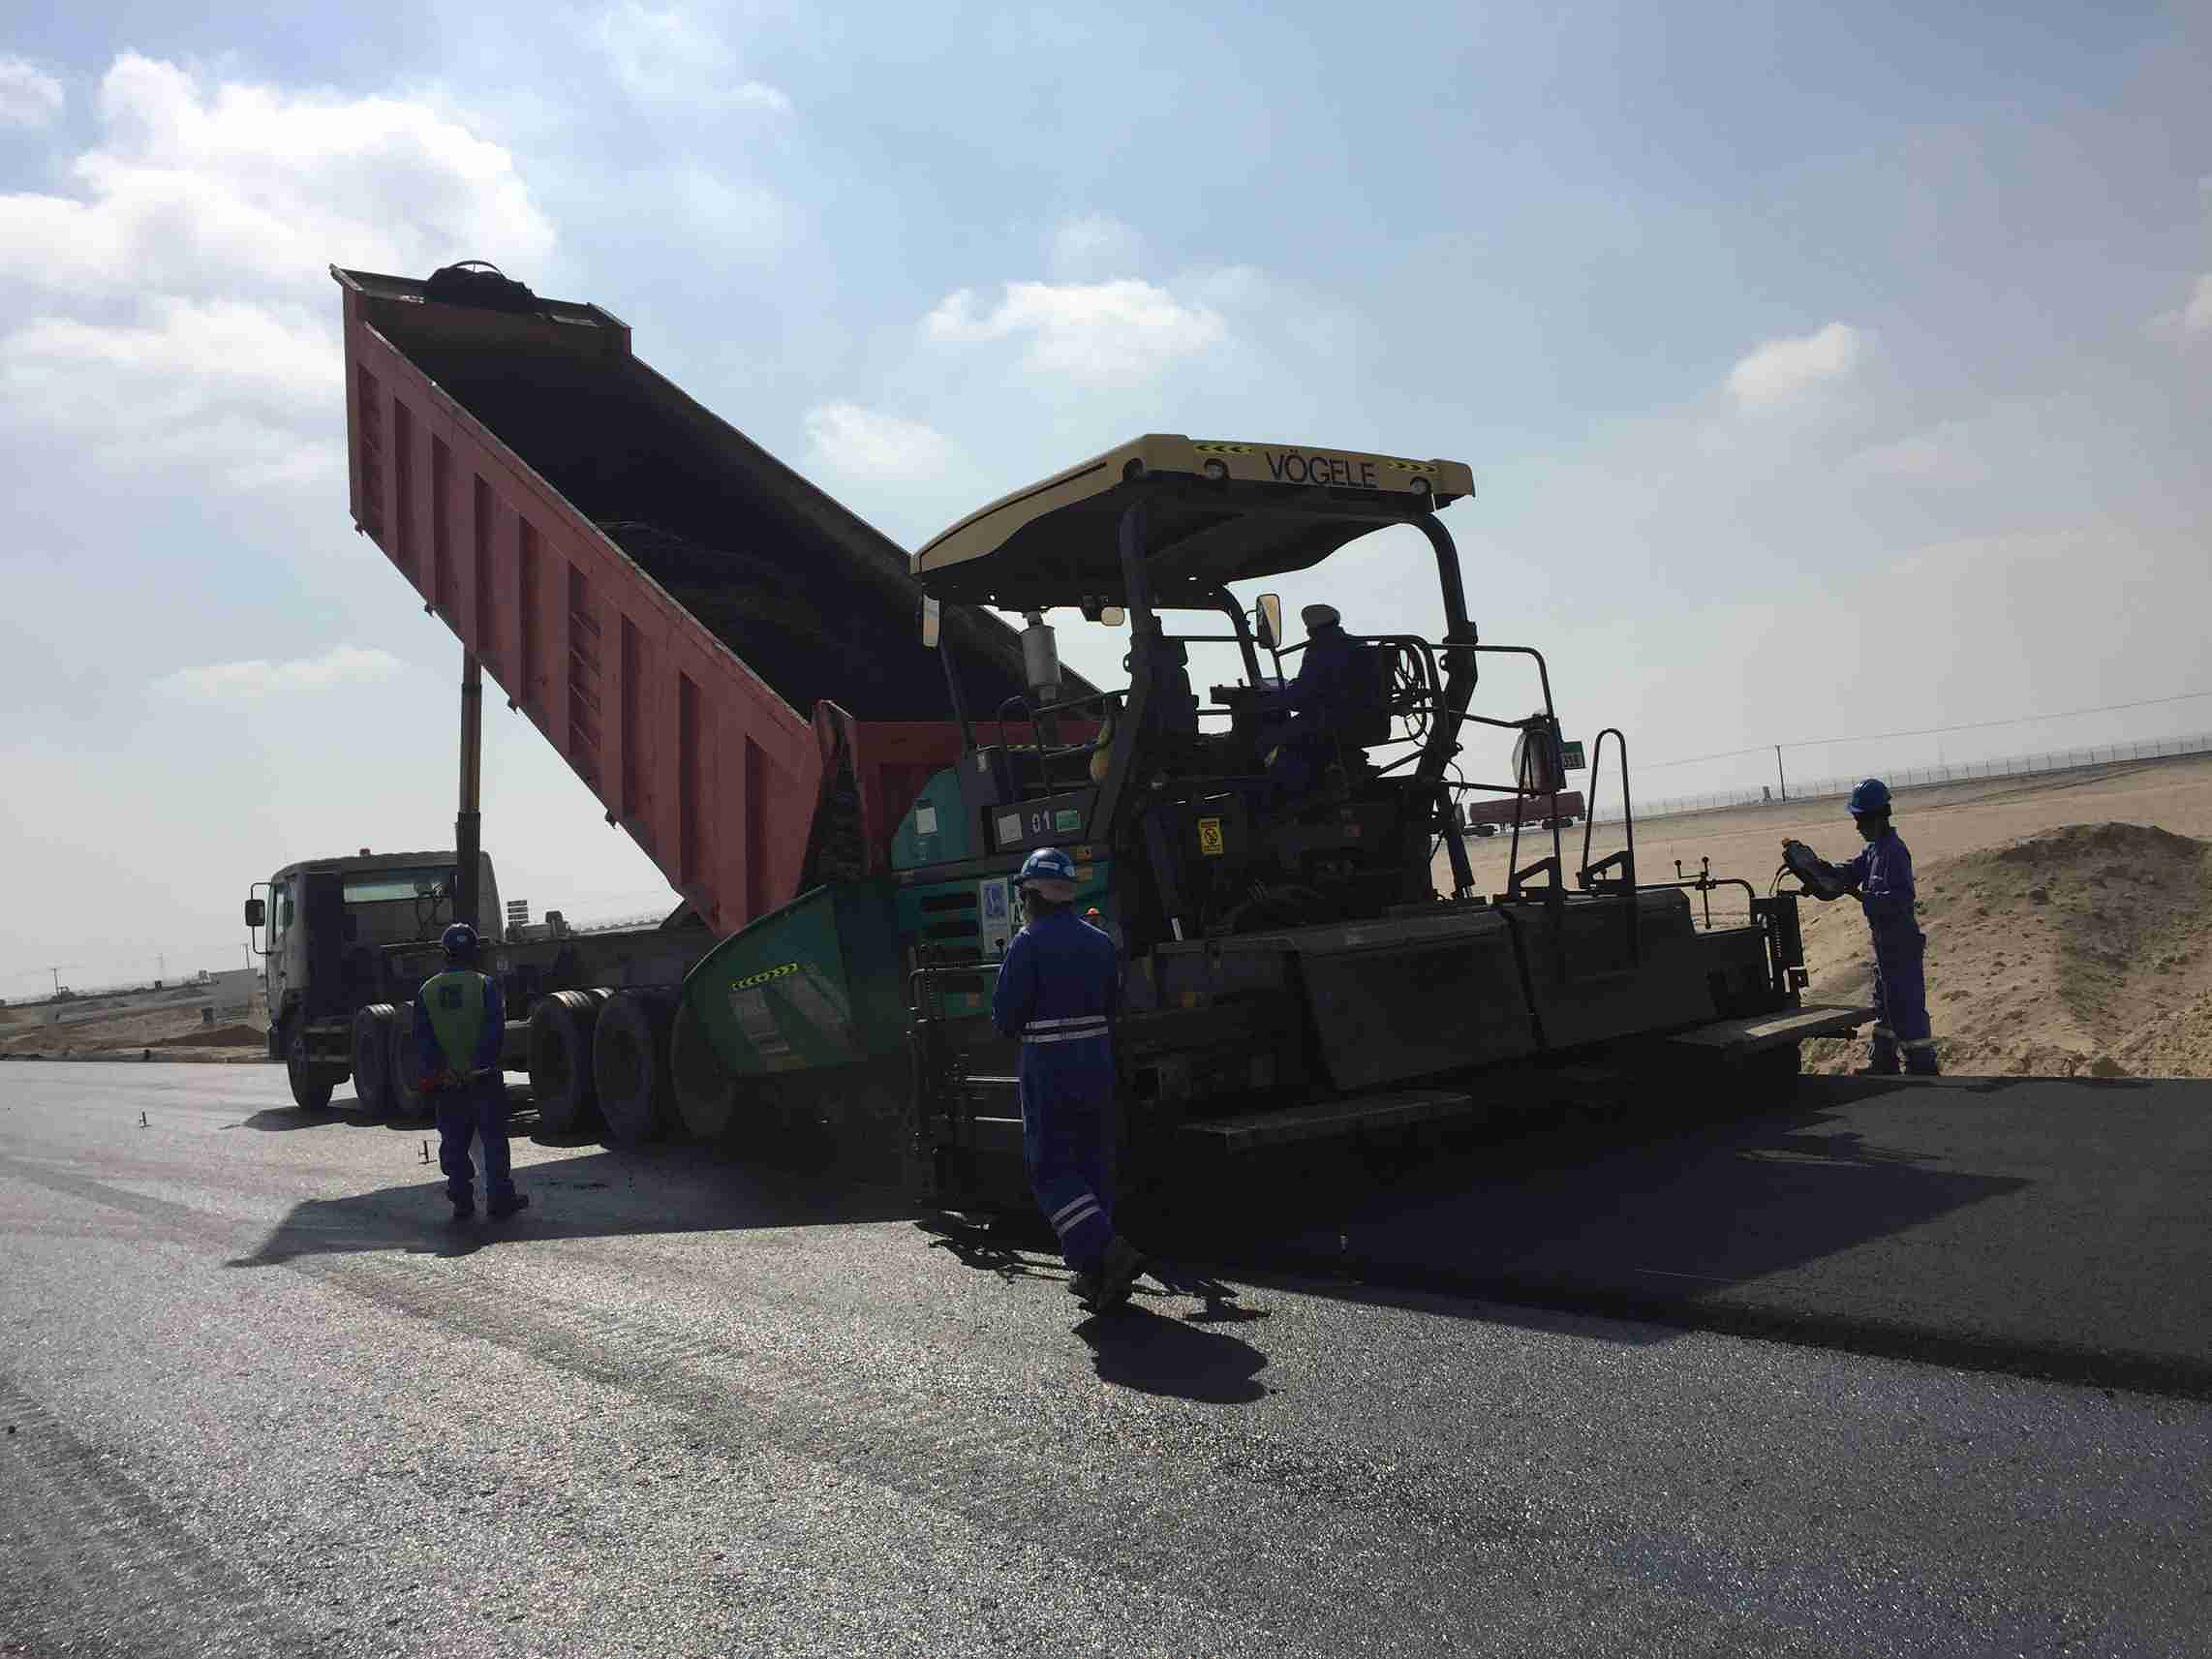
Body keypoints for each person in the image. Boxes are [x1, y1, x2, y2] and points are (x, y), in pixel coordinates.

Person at [990, 846, 1144, 1310]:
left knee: (1051, 1168)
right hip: (1096, 1062)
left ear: (1032, 895)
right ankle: (1094, 1274)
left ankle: (1106, 1250)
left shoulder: (1027, 943)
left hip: (1049, 1065)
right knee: (1094, 1164)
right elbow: (1114, 1005)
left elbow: (1005, 1016)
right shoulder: (1099, 942)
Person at [1784, 779, 1939, 1077]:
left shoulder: (1894, 852)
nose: (1857, 827)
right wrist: (1820, 871)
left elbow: (1900, 899)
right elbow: (1850, 871)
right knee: (1886, 1005)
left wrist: (1860, 895)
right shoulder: (1873, 850)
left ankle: (1922, 1067)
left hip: (1901, 943)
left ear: (1877, 817)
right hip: (1884, 944)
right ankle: (1884, 1062)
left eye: (1860, 819)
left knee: (1906, 1006)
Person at [413, 922, 529, 1220]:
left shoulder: (427, 991)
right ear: (473, 952)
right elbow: (494, 1032)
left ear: (445, 952)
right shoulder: (485, 985)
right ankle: (499, 1198)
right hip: (483, 1078)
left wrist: (441, 1071)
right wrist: (478, 1064)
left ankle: (461, 1199)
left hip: (448, 1082)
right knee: (493, 1140)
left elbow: (423, 1041)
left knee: (453, 1141)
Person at [1265, 603, 1369, 794]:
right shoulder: (1358, 645)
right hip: (1363, 719)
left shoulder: (1320, 649)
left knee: (1267, 740)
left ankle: (1293, 796)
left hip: (1327, 721)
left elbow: (1301, 697)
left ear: (1311, 630)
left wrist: (1271, 699)